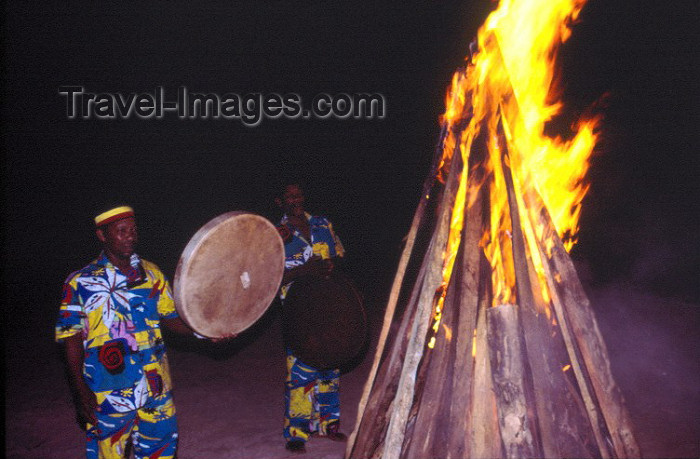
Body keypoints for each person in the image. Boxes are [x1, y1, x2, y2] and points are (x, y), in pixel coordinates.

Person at [56, 205, 201, 459]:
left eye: (133, 230)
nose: (130, 236)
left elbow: (172, 319)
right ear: (103, 235)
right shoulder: (80, 282)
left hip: (155, 384)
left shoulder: (152, 273)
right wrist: (80, 391)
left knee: (161, 452)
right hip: (108, 390)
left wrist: (205, 329)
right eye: (121, 231)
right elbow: (70, 340)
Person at [275, 183, 348, 454]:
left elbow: (339, 256)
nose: (296, 199)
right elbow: (272, 280)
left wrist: (331, 266)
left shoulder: (322, 224)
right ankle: (297, 431)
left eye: (299, 194)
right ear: (279, 201)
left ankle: (329, 424)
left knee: (330, 362)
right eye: (289, 196)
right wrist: (305, 270)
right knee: (301, 369)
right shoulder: (275, 234)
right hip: (298, 309)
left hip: (329, 303)